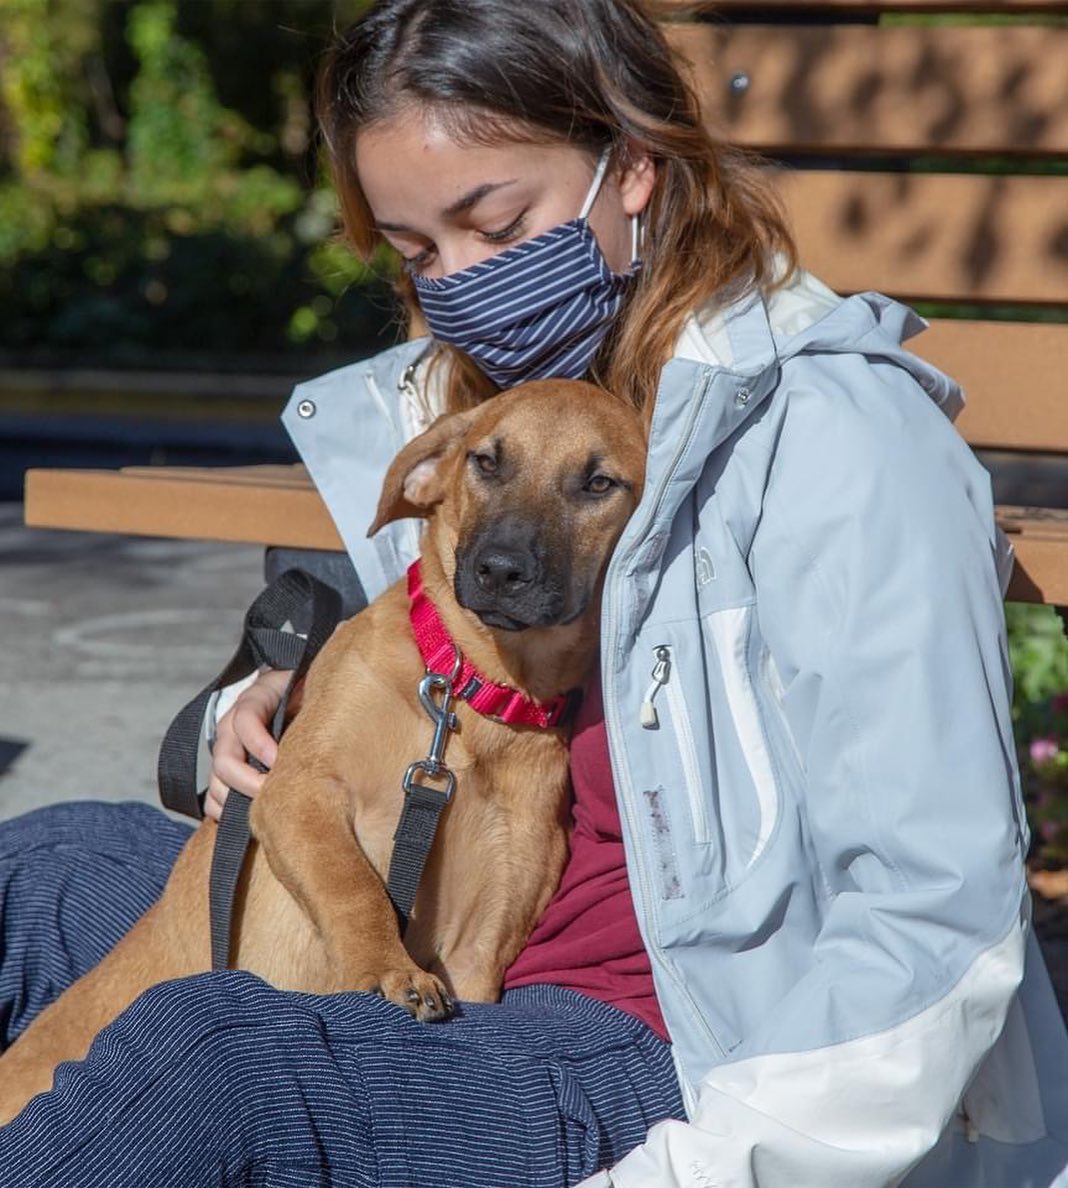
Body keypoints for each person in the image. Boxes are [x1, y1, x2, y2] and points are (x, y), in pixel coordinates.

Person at [1, 0, 1066, 1184]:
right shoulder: (478, 399)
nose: (458, 286)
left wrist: (694, 1172)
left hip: (662, 1039)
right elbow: (408, 670)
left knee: (212, 1069)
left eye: (494, 225)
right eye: (417, 255)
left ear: (635, 169)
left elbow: (936, 919)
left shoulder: (834, 443)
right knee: (37, 866)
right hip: (435, 920)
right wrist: (249, 709)